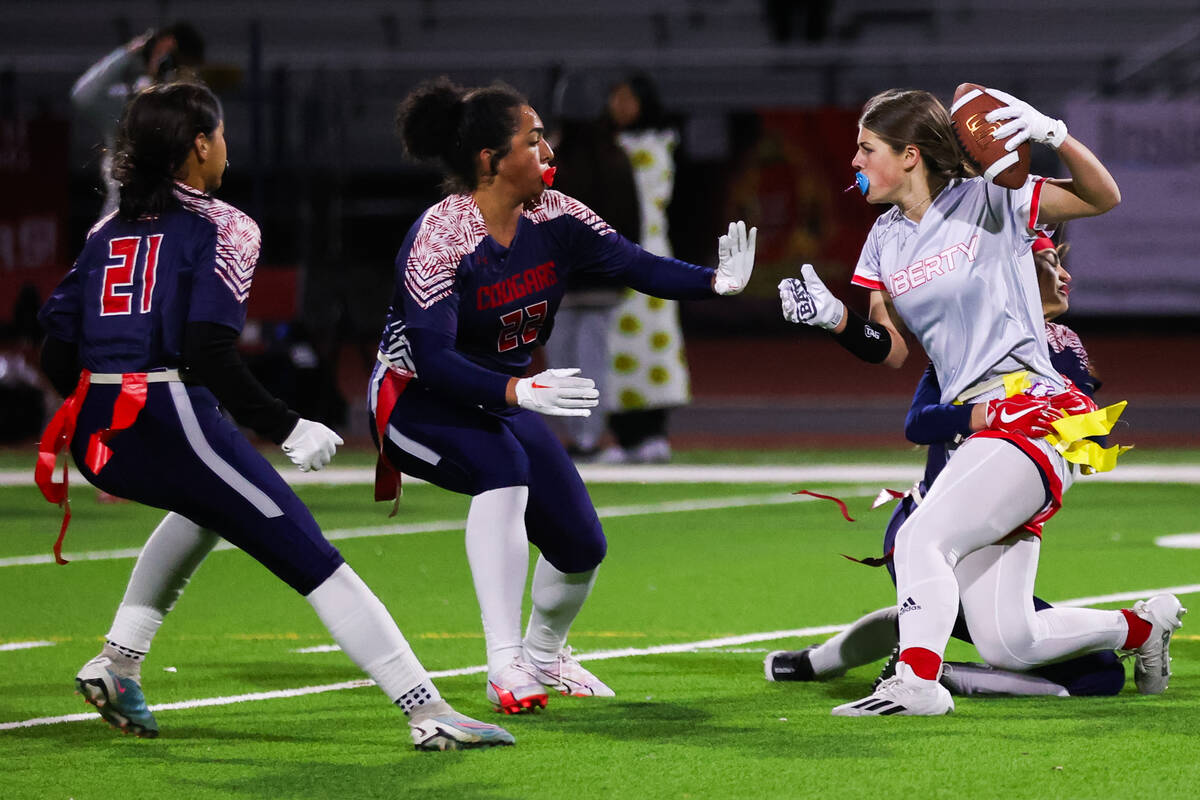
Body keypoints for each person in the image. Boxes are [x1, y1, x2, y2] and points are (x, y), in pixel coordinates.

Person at [35, 82, 513, 751]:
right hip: (166, 414)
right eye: (221, 134)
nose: (226, 146)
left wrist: (114, 401)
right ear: (199, 145)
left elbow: (56, 348)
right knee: (311, 556)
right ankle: (426, 709)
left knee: (208, 509)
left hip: (98, 429)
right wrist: (285, 423)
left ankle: (118, 662)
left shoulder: (105, 230)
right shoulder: (224, 225)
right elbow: (208, 347)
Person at [776, 87, 1184, 716]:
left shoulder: (990, 196)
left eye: (866, 148)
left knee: (920, 538)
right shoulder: (884, 238)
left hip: (1033, 407)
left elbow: (1104, 197)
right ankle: (1142, 627)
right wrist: (833, 321)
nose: (853, 161)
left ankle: (916, 684)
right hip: (981, 428)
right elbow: (889, 349)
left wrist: (1055, 133)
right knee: (1010, 641)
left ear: (910, 155)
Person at [371, 76, 755, 714]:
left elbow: (636, 264)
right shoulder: (442, 237)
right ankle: (503, 665)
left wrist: (717, 282)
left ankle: (545, 654)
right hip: (417, 399)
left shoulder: (556, 215)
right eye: (534, 139)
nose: (549, 152)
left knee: (580, 545)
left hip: (501, 396)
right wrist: (518, 388)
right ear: (491, 161)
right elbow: (434, 361)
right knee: (503, 469)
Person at [767, 234, 1126, 698]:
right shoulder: (974, 344)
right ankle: (927, 674)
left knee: (935, 620)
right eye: (1050, 262)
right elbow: (918, 423)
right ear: (1013, 273)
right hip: (936, 520)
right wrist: (988, 413)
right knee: (1076, 665)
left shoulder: (1054, 344)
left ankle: (826, 663)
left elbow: (1087, 433)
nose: (1065, 276)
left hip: (991, 533)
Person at [541, 79, 642, 458]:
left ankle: (577, 436)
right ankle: (593, 435)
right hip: (601, 279)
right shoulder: (615, 155)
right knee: (594, 360)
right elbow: (632, 220)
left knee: (562, 364)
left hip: (559, 283)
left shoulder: (552, 161)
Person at [600, 74, 690, 464]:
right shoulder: (602, 148)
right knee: (613, 348)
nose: (619, 106)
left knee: (655, 348)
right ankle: (622, 436)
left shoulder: (661, 143)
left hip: (650, 256)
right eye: (614, 97)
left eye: (627, 98)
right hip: (610, 259)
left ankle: (654, 432)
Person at [71, 23, 206, 218]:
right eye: (160, 55)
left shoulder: (198, 112)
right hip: (123, 218)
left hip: (175, 221)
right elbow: (82, 95)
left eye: (173, 58)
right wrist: (128, 52)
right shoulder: (128, 103)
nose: (166, 63)